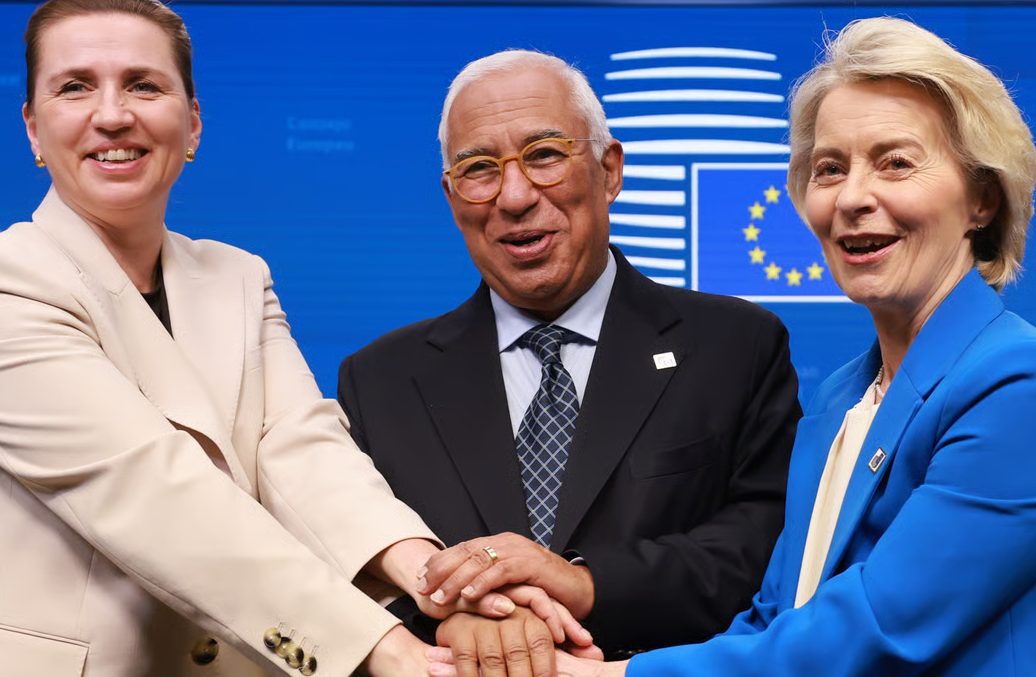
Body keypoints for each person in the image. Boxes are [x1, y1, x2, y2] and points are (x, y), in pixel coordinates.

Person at [0, 0, 565, 677]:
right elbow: (151, 493)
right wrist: (387, 651)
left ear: (193, 125)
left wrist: (446, 584)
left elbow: (304, 454)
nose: (113, 115)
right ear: (34, 128)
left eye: (144, 85)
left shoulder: (238, 277)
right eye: (75, 87)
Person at [478, 16, 1036, 677]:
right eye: (829, 169)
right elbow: (775, 619)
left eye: (895, 163)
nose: (853, 197)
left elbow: (874, 631)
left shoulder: (1022, 383)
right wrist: (593, 658)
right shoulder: (840, 398)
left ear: (982, 199)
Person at [338, 49, 803, 675]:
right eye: (479, 169)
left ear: (609, 171)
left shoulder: (736, 345)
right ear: (451, 196)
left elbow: (764, 545)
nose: (514, 196)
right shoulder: (379, 381)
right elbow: (350, 561)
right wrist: (459, 614)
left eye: (544, 155)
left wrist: (584, 582)